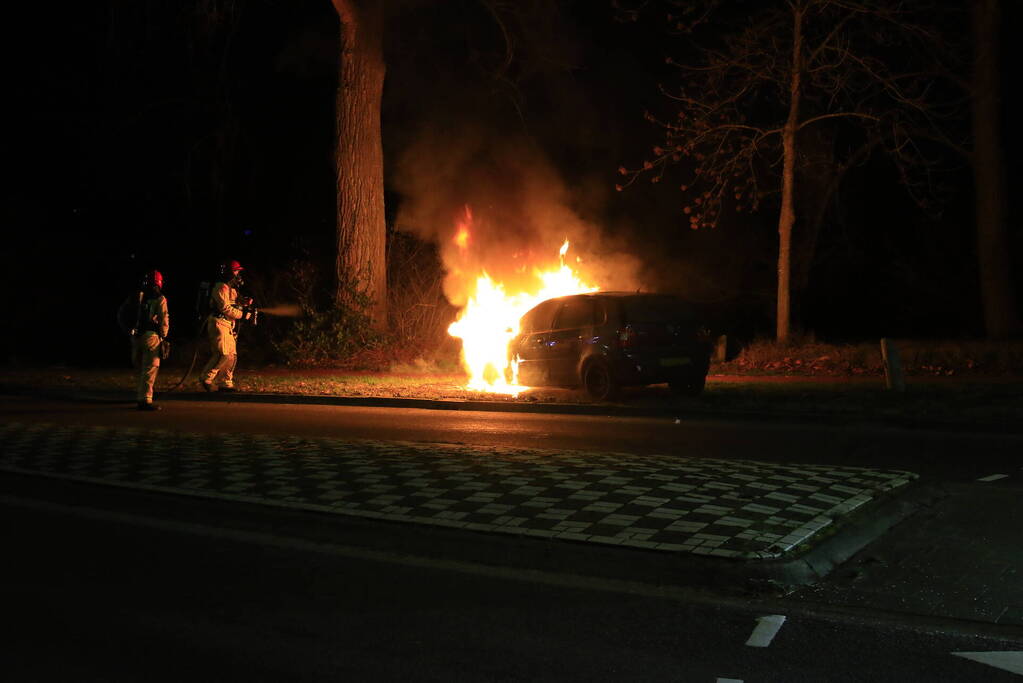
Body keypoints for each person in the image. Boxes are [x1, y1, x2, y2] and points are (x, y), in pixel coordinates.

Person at [117, 270, 170, 411]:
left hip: (135, 337)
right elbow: (164, 320)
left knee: (139, 367)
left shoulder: (136, 296)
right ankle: (145, 400)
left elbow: (121, 313)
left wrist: (128, 330)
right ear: (159, 282)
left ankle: (140, 395)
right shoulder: (160, 298)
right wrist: (163, 337)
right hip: (151, 337)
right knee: (150, 368)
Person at [200, 259, 252, 393]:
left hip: (227, 324)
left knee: (232, 355)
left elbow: (234, 304)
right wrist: (242, 314)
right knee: (221, 354)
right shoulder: (220, 287)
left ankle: (225, 382)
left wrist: (245, 303)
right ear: (229, 273)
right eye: (236, 271)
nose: (238, 274)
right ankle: (206, 378)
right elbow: (225, 308)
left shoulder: (230, 288)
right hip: (218, 323)